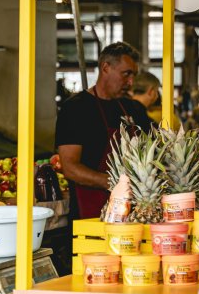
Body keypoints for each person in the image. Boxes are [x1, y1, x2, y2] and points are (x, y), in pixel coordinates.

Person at [55, 42, 151, 219]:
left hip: (136, 212)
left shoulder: (134, 109)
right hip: (90, 212)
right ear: (106, 68)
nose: (131, 82)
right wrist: (115, 183)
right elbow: (70, 167)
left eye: (133, 75)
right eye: (126, 74)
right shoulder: (76, 109)